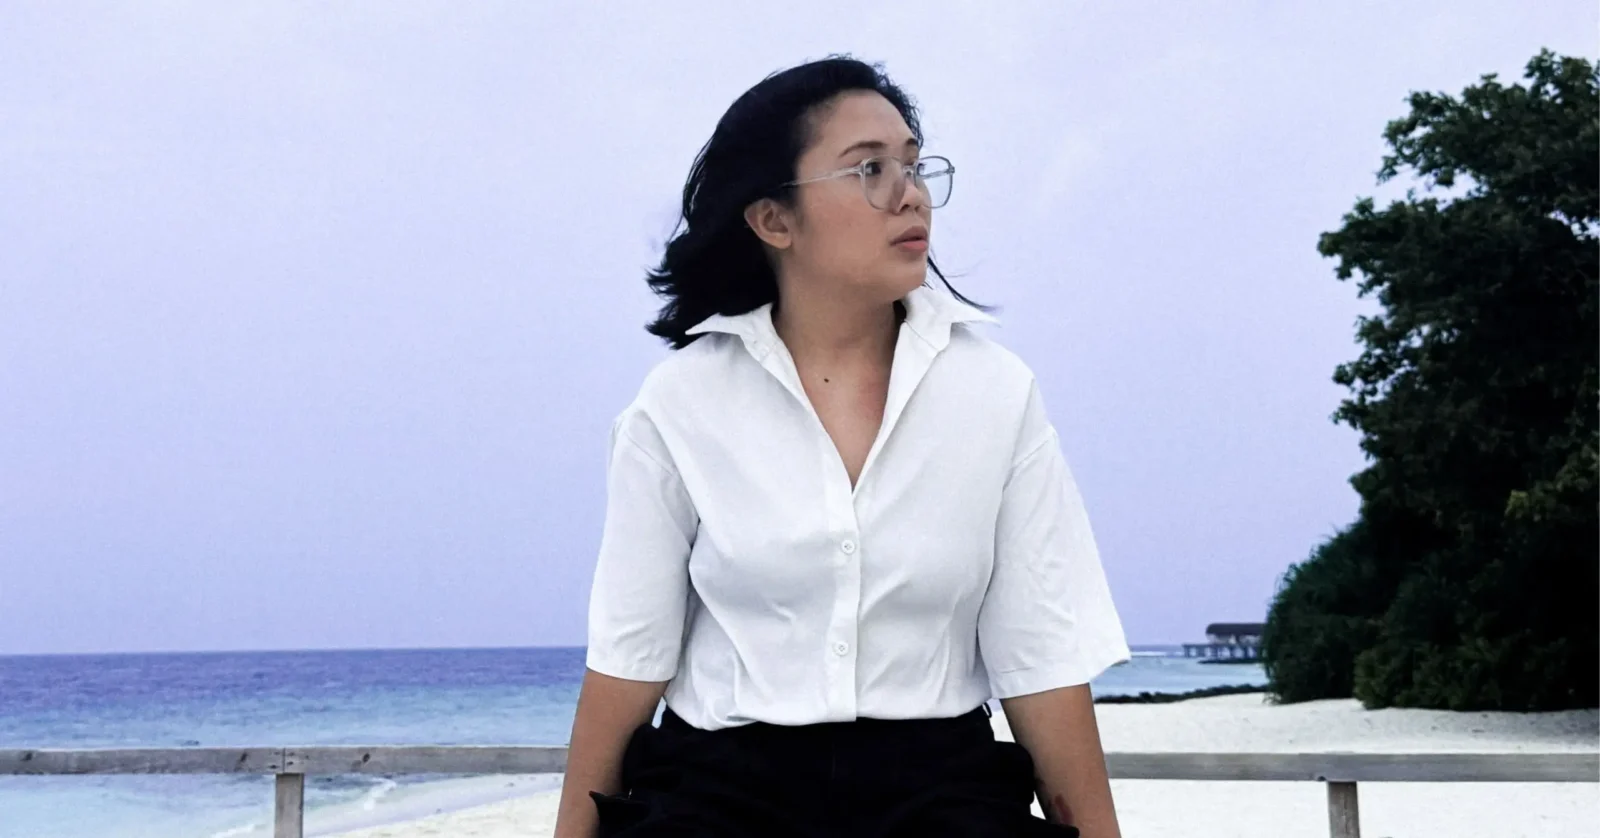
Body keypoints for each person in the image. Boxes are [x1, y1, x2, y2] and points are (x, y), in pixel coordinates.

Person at [553, 56, 1130, 838]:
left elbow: (1043, 662)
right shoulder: (681, 403)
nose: (910, 193)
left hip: (939, 792)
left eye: (914, 165)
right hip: (719, 793)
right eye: (868, 169)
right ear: (774, 221)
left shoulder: (996, 393)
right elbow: (630, 659)